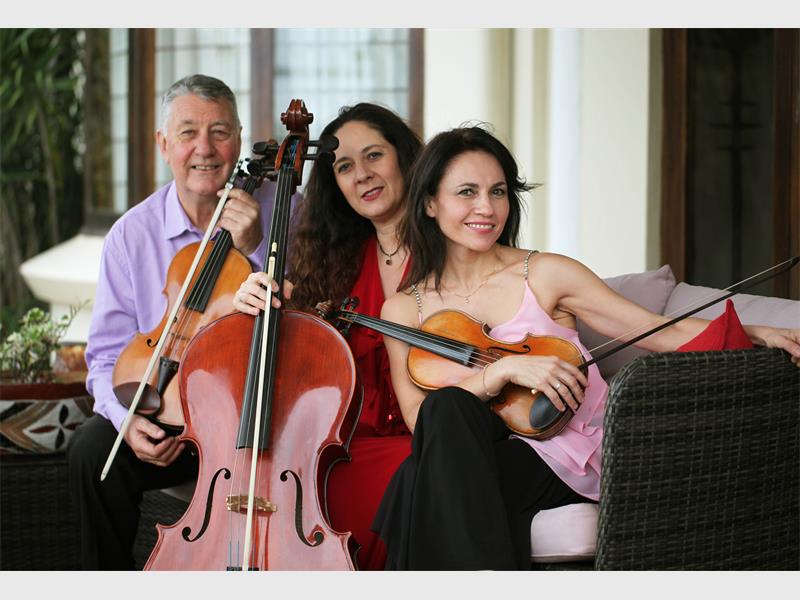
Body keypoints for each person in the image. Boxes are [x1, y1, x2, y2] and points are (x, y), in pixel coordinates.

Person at [371, 125, 800, 570]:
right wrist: (499, 373)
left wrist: (755, 331)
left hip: (563, 451)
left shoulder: (545, 273)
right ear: (430, 203)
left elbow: (656, 331)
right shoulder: (403, 309)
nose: (487, 207)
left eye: (497, 191)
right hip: (481, 453)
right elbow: (418, 418)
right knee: (445, 414)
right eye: (467, 192)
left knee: (417, 479)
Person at [67, 74, 286, 570]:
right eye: (188, 132)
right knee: (91, 453)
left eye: (220, 132)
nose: (204, 149)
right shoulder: (131, 235)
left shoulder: (284, 212)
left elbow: (305, 318)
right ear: (164, 144)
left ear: (238, 140)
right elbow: (104, 357)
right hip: (167, 415)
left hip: (250, 417)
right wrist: (127, 422)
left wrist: (255, 249)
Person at [233, 102, 423, 570]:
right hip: (342, 452)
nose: (362, 175)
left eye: (374, 155)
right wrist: (252, 302)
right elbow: (288, 366)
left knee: (413, 478)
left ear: (403, 157)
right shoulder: (331, 264)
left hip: (426, 447)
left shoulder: (450, 254)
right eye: (344, 166)